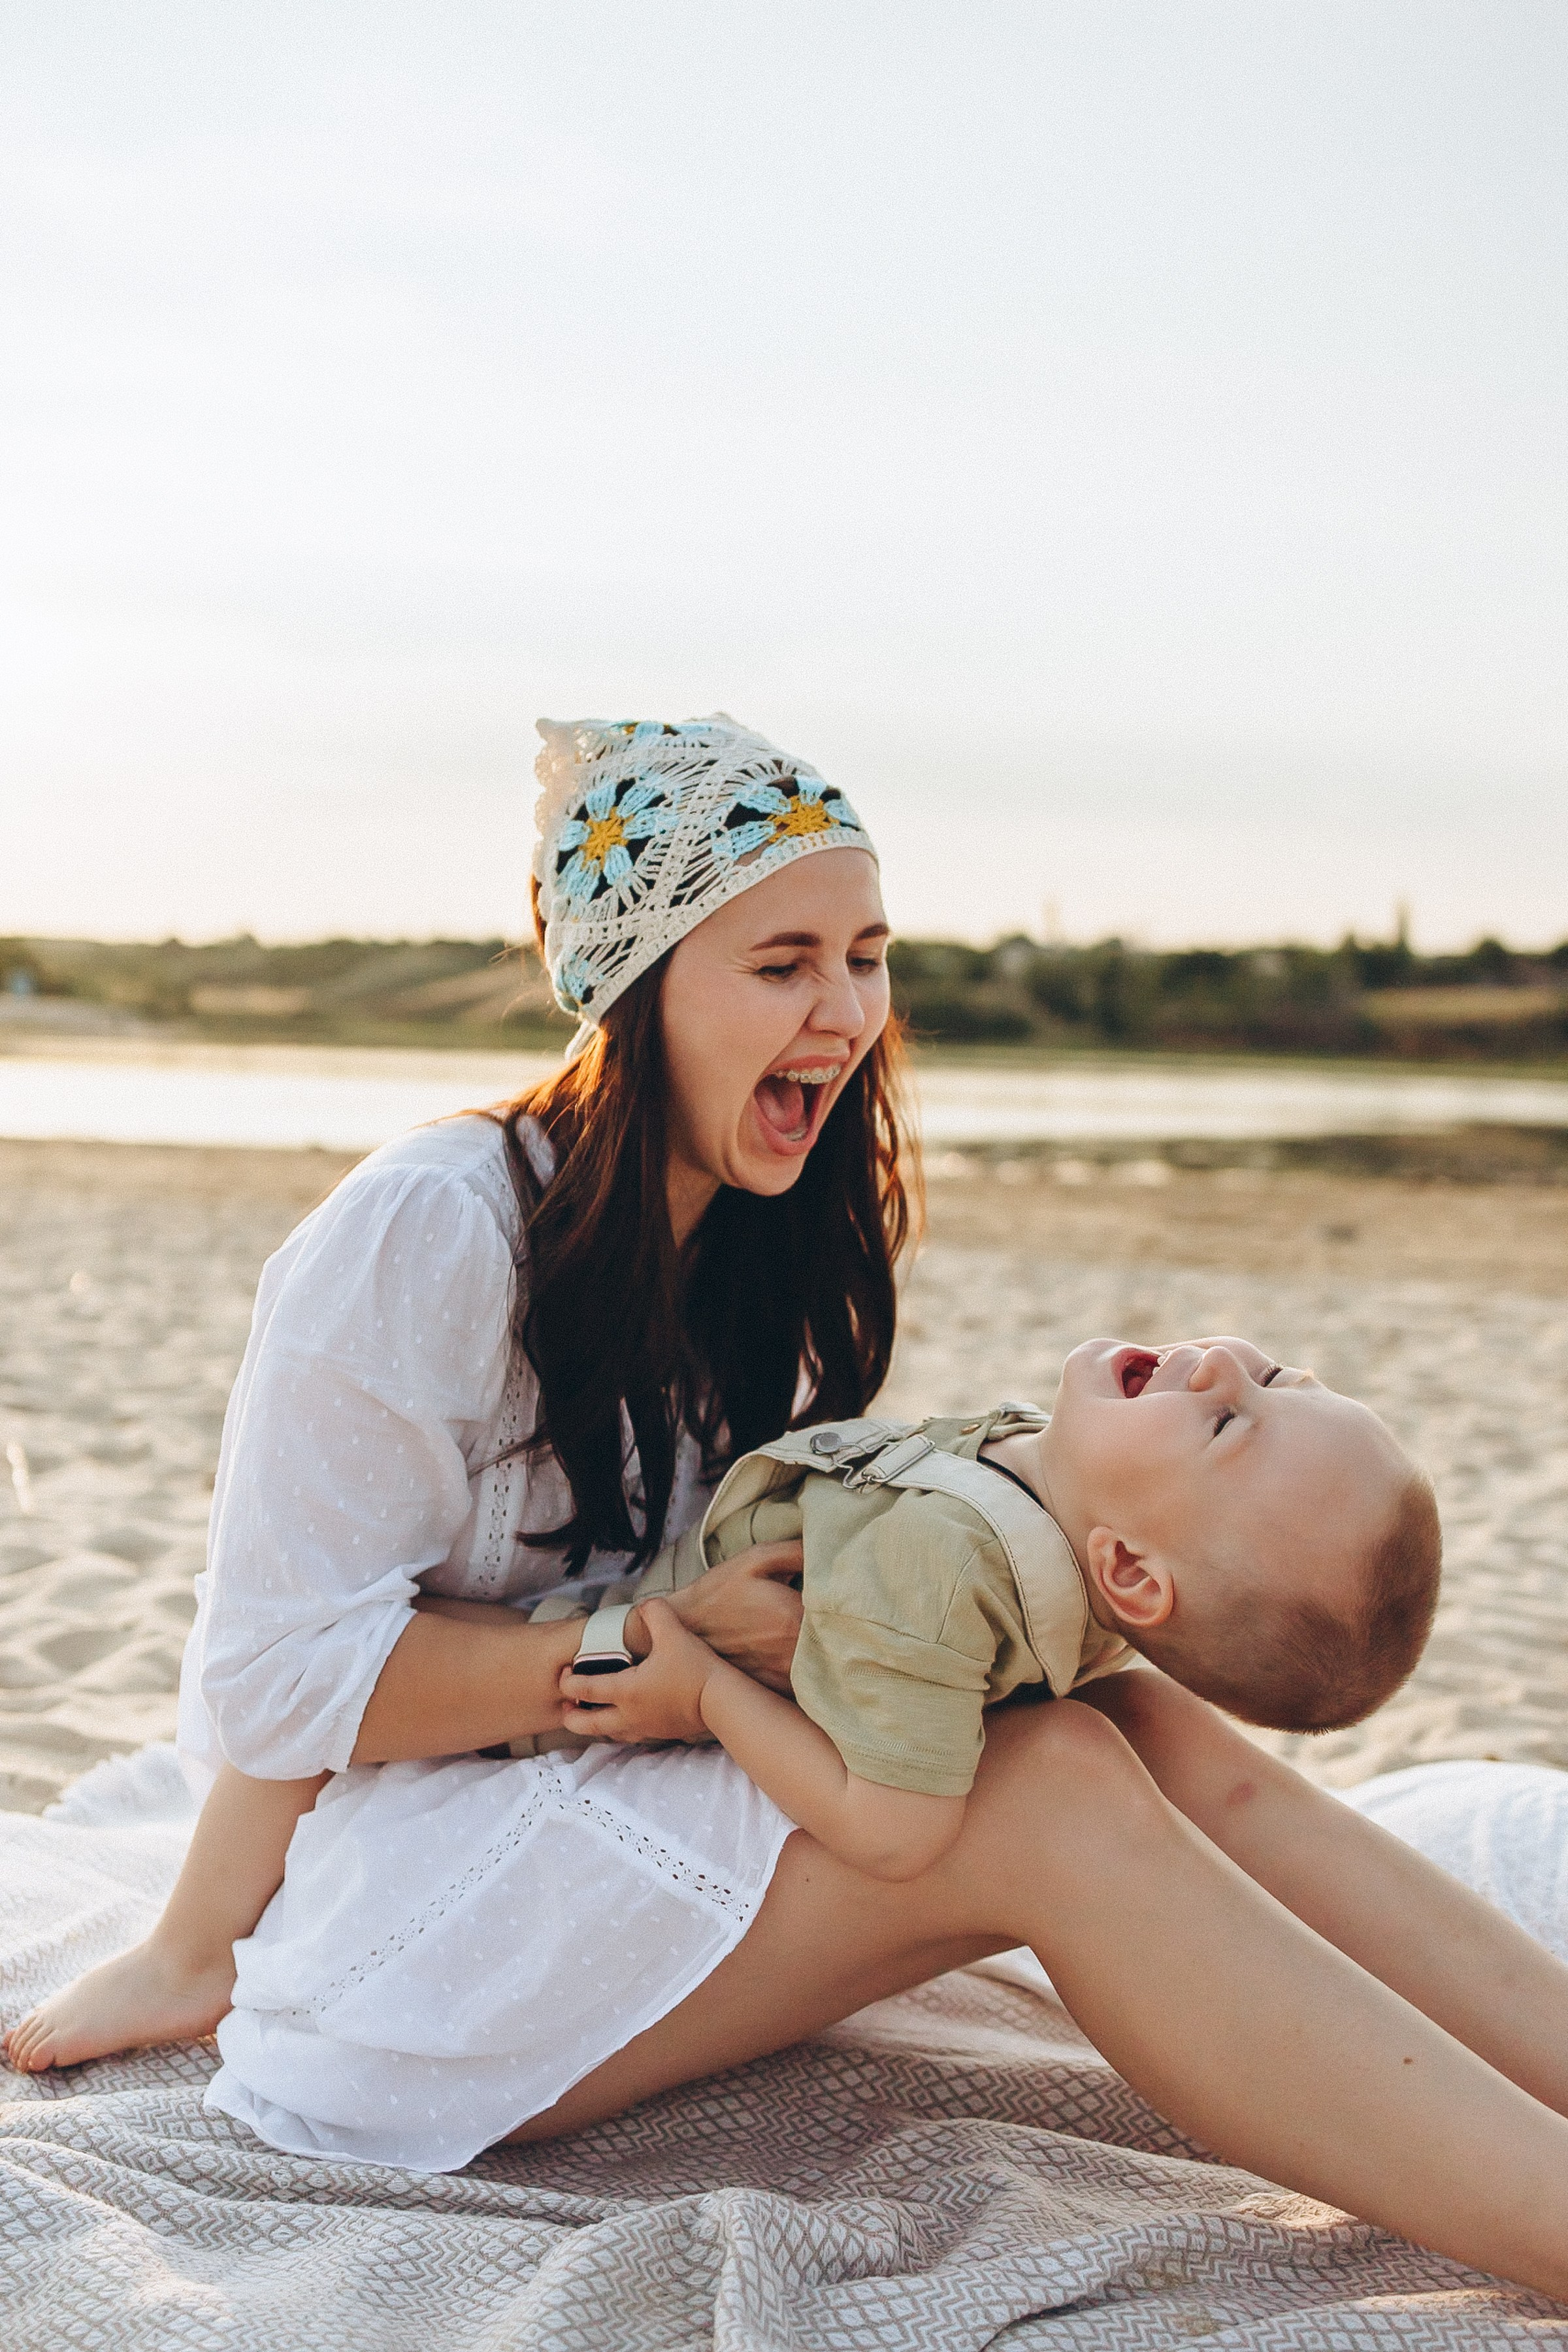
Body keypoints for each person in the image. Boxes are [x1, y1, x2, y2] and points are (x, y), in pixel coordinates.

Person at [9, 712, 1568, 2305]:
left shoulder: (775, 1234)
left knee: (1136, 1725)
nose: (845, 1011)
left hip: (635, 1800)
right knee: (1053, 1791)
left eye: (870, 956)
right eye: (784, 964)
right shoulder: (432, 1228)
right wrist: (662, 1644)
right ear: (642, 983)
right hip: (400, 1918)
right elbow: (274, 1684)